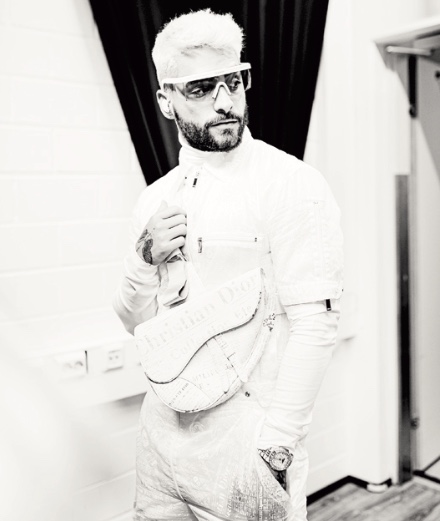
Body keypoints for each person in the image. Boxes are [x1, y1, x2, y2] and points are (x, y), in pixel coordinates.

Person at [113, 8, 343, 521]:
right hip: (161, 442)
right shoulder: (154, 200)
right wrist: (144, 258)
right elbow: (134, 323)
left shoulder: (290, 183)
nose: (225, 102)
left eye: (234, 81)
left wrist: (277, 447)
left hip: (247, 442)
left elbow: (316, 324)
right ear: (166, 101)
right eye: (200, 89)